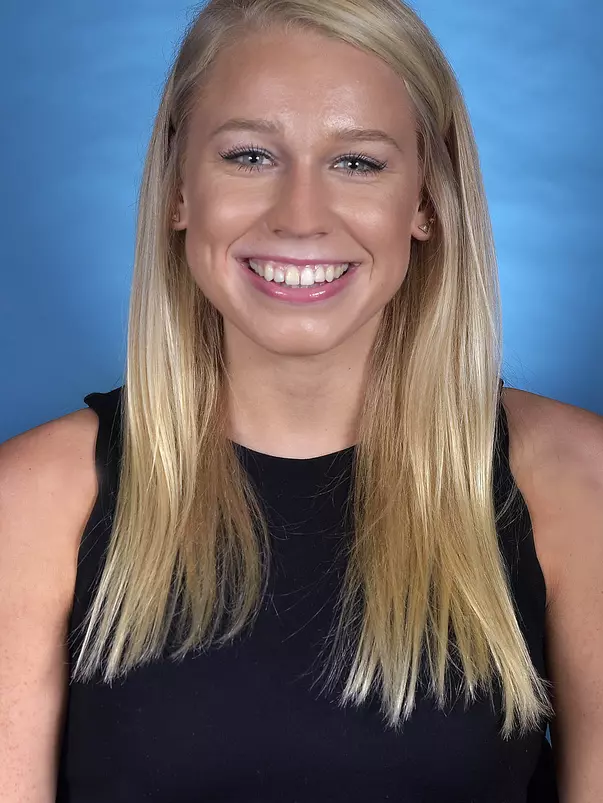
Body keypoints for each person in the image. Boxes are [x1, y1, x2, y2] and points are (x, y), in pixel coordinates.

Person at [1, 0, 602, 799]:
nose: (300, 217)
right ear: (180, 189)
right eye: (249, 155)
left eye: (357, 162)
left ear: (426, 201)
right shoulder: (33, 501)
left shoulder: (575, 482)